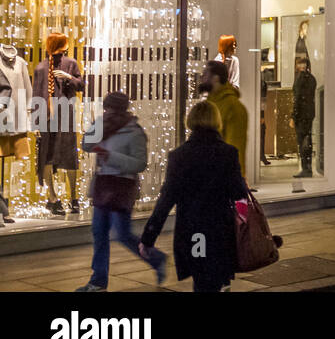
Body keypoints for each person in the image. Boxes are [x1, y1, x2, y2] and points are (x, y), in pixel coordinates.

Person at [139, 100, 246, 292]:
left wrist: (148, 237)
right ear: (216, 121)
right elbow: (239, 193)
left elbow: (166, 200)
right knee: (215, 278)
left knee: (202, 278)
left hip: (193, 231)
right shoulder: (228, 153)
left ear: (191, 121)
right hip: (220, 230)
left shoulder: (179, 156)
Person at [76, 92, 166, 291]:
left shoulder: (134, 132)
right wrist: (97, 127)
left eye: (110, 108)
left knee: (123, 234)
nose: (107, 112)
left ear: (119, 108)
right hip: (102, 184)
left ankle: (157, 259)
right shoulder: (102, 125)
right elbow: (85, 144)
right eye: (105, 108)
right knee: (99, 233)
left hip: (121, 187)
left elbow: (140, 164)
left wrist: (111, 156)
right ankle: (98, 281)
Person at [34, 33, 83, 215]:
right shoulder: (41, 68)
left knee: (69, 156)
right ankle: (52, 197)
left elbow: (81, 85)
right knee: (46, 156)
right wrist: (37, 123)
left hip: (65, 117)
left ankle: (73, 197)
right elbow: (37, 95)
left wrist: (68, 77)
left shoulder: (70, 63)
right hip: (47, 119)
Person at [200, 59, 248, 178]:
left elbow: (236, 147)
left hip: (220, 178)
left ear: (215, 78)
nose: (202, 77)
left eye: (206, 74)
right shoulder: (211, 103)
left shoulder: (233, 106)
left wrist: (236, 180)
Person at [290, 56, 316, 178]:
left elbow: (298, 99)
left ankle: (305, 169)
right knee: (308, 140)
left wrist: (293, 117)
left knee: (302, 142)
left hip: (301, 115)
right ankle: (308, 168)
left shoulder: (300, 79)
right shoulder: (312, 78)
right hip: (309, 114)